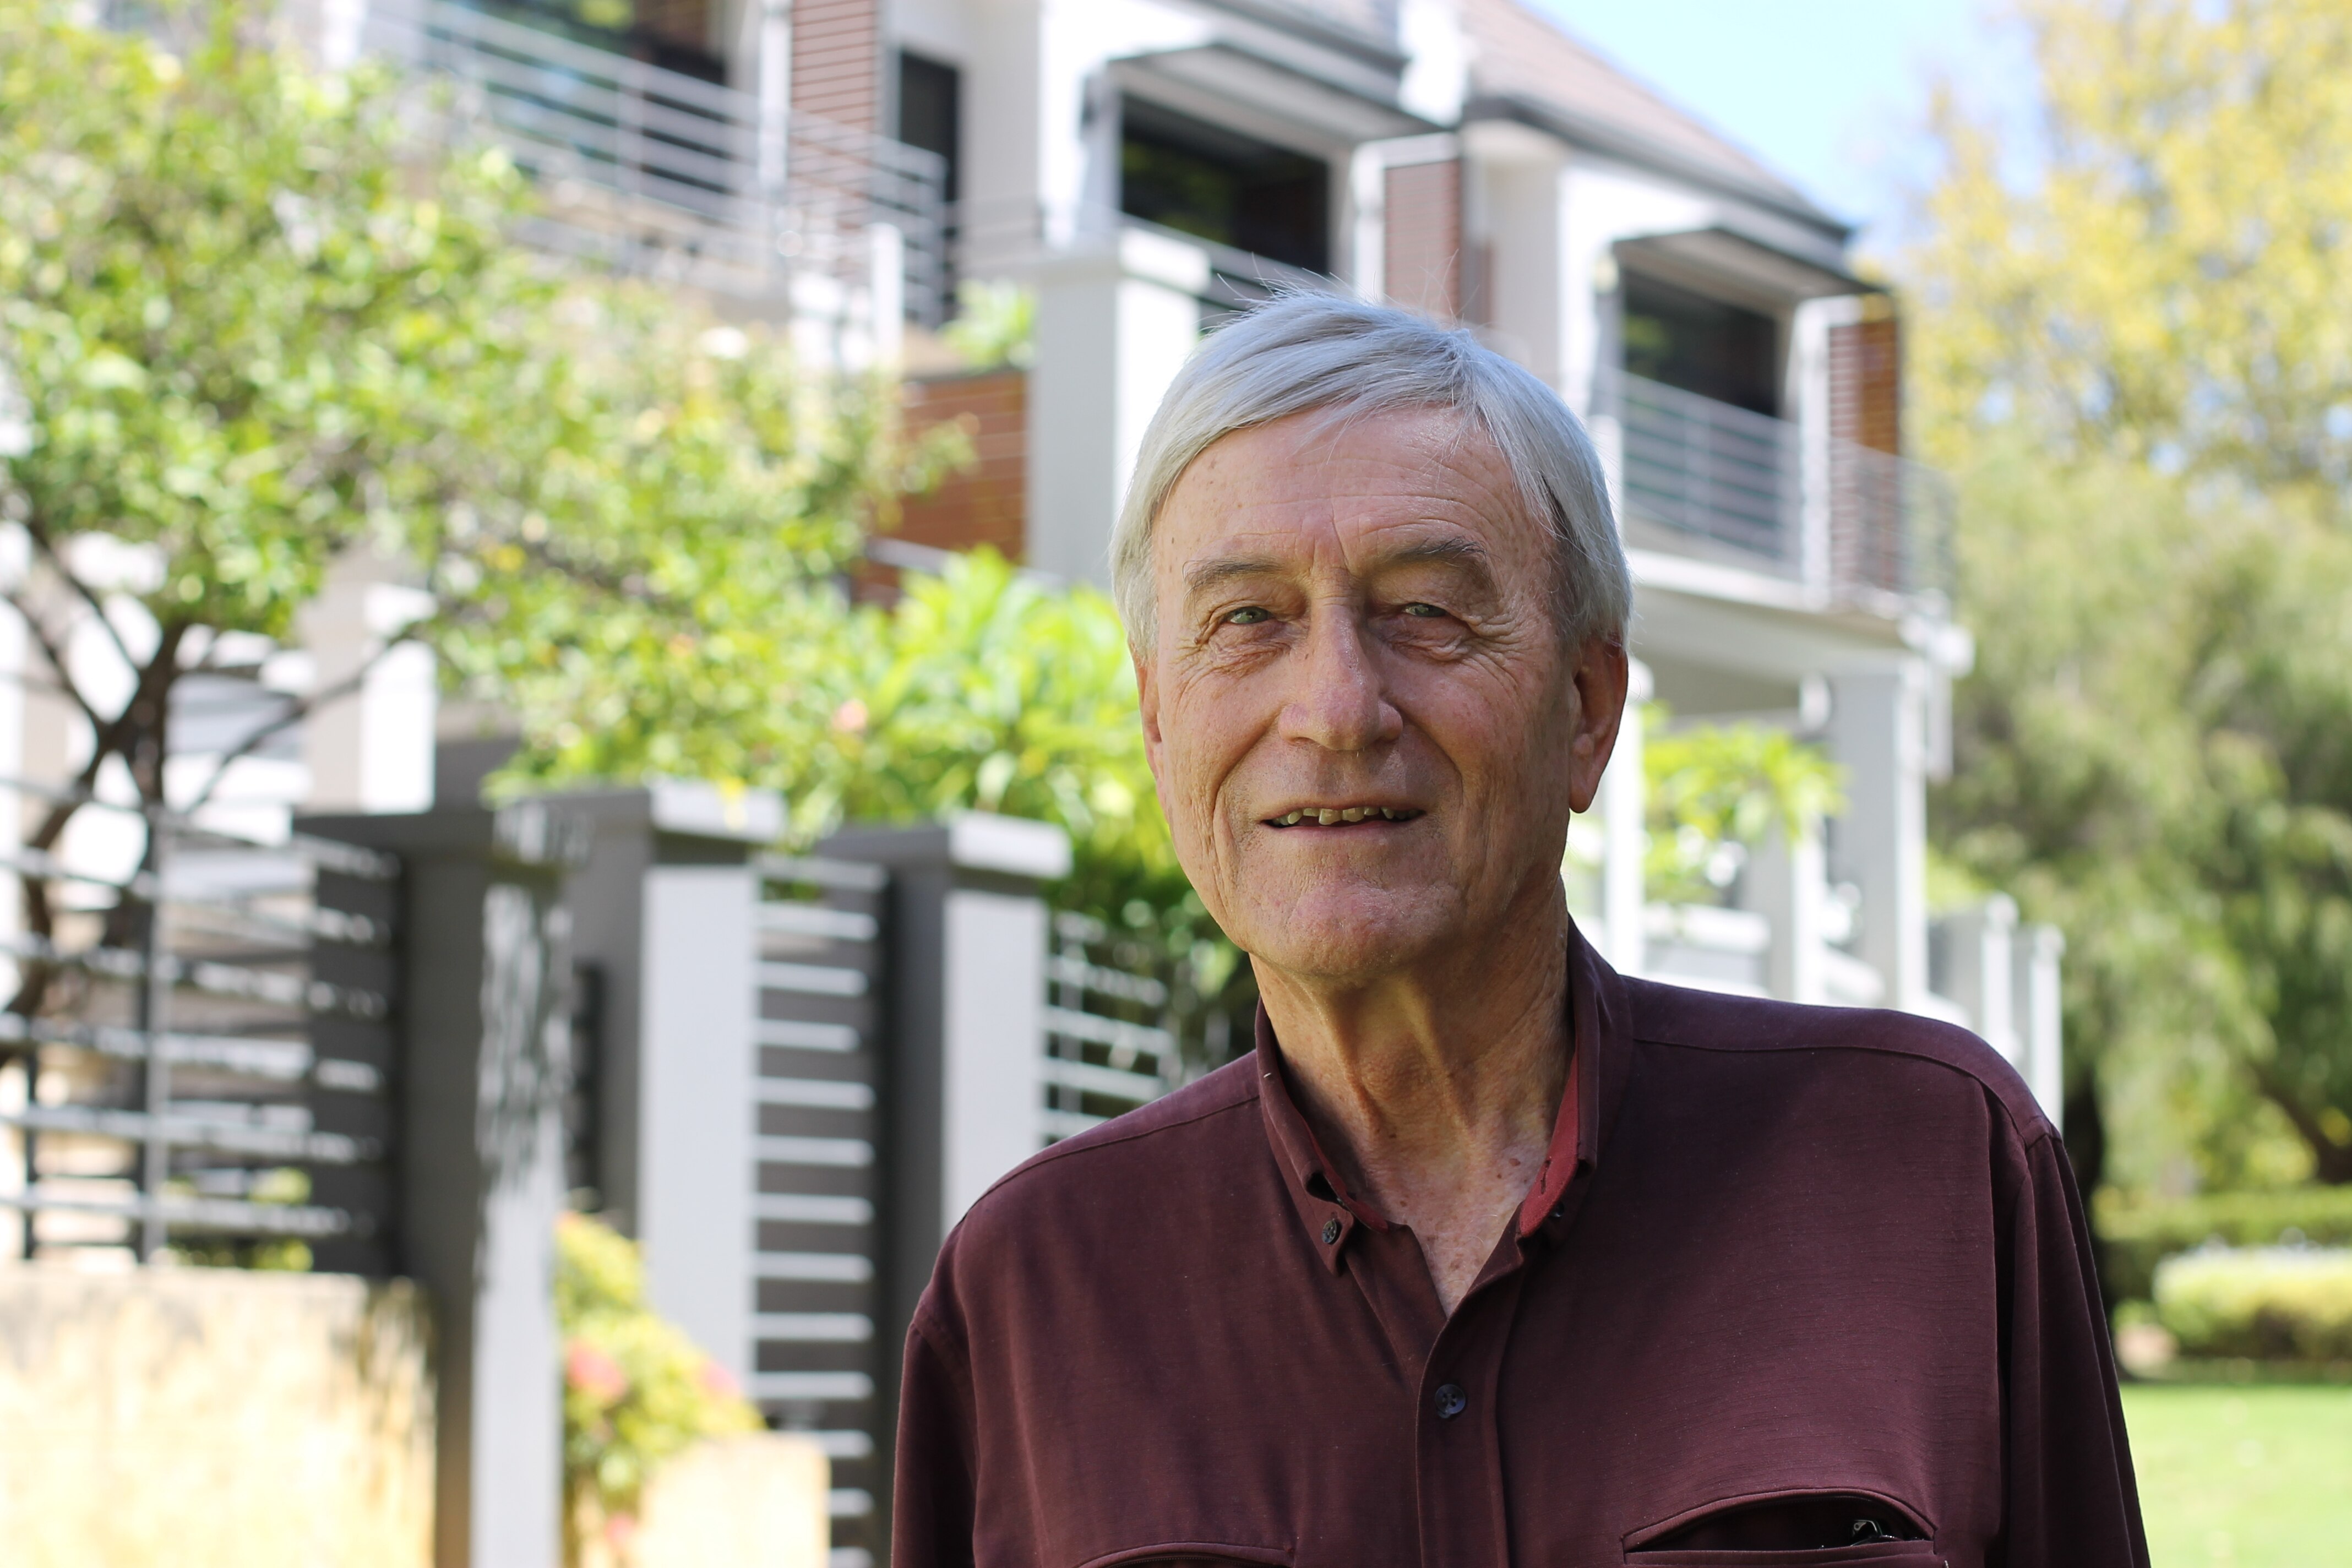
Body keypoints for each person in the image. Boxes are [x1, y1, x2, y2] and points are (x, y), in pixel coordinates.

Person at [891, 294, 2146, 1568]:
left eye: (1427, 611)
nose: (1336, 708)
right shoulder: (1025, 1293)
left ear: (1588, 707)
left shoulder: (1928, 1164)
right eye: (1249, 619)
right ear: (1160, 721)